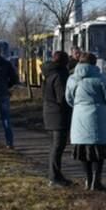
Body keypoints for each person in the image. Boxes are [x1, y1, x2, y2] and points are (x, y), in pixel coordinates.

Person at [66, 52, 106, 191]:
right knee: (99, 151)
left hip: (79, 116)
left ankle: (87, 179)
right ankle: (96, 181)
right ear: (95, 63)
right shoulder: (100, 78)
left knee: (83, 151)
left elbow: (69, 98)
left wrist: (79, 106)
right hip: (99, 117)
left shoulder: (72, 79)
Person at [42, 51, 73, 186]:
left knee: (55, 146)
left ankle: (56, 175)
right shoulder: (60, 76)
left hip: (49, 113)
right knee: (57, 147)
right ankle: (54, 177)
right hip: (58, 115)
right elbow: (62, 98)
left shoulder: (49, 73)